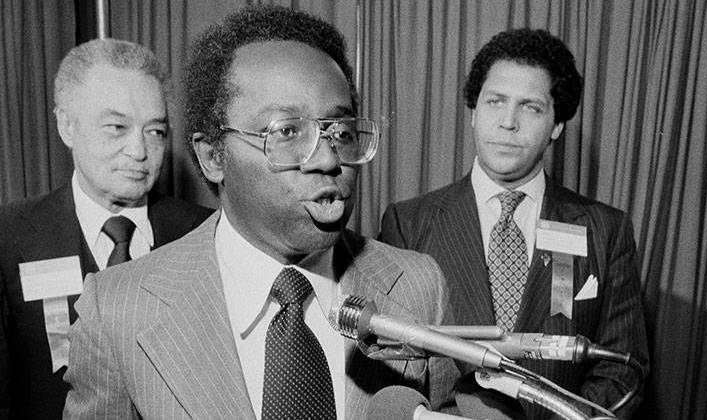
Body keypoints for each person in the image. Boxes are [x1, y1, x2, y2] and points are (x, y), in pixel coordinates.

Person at [62, 5, 456, 419]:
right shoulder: (117, 310)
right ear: (213, 155)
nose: (326, 158)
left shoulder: (417, 286)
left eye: (339, 132)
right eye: (287, 132)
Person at [379, 28, 649, 419]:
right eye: (495, 101)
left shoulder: (605, 230)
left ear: (556, 125)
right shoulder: (409, 222)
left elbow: (621, 370)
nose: (508, 122)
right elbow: (393, 360)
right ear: (474, 112)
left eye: (531, 107)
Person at [0, 38, 213, 419]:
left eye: (155, 132)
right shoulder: (10, 238)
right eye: (117, 127)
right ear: (67, 126)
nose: (139, 151)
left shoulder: (204, 233)